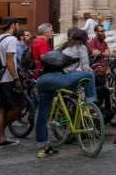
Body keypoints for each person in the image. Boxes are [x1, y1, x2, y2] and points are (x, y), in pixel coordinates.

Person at [34, 29, 97, 158]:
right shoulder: (80, 46)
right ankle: (90, 105)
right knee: (89, 75)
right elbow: (86, 67)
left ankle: (43, 147)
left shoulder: (64, 46)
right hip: (58, 78)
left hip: (43, 79)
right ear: (84, 39)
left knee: (42, 114)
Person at [0, 17, 25, 147]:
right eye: (17, 25)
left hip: (0, 78)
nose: (18, 27)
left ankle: (0, 136)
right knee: (19, 105)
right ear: (13, 25)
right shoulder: (11, 40)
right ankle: (0, 131)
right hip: (8, 78)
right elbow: (10, 60)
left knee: (2, 108)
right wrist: (16, 79)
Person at [88, 24, 113, 122]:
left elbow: (108, 53)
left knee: (105, 89)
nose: (103, 33)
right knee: (102, 89)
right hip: (97, 68)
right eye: (101, 31)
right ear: (96, 32)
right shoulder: (92, 42)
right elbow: (94, 52)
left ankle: (106, 110)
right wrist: (104, 54)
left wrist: (101, 53)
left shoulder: (105, 43)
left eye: (104, 31)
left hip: (105, 67)